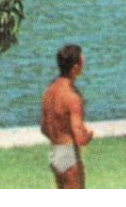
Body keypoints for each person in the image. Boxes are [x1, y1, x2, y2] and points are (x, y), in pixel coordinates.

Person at [41, 44, 94, 189]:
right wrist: (88, 135)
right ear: (75, 68)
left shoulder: (49, 92)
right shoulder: (72, 97)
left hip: (55, 152)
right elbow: (79, 136)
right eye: (81, 62)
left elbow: (44, 128)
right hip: (68, 152)